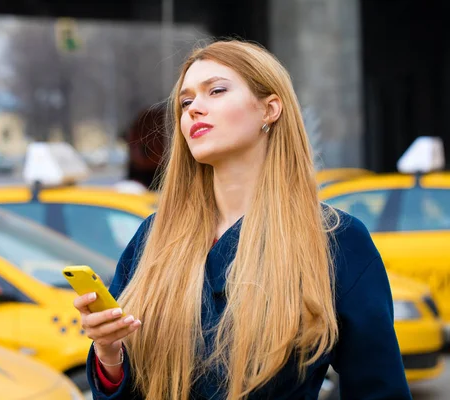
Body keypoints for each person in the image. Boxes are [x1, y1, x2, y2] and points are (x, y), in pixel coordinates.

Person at [73, 40, 411, 400]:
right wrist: (110, 356)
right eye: (185, 102)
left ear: (270, 109)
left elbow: (380, 388)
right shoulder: (153, 238)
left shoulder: (334, 239)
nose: (194, 109)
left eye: (215, 91)